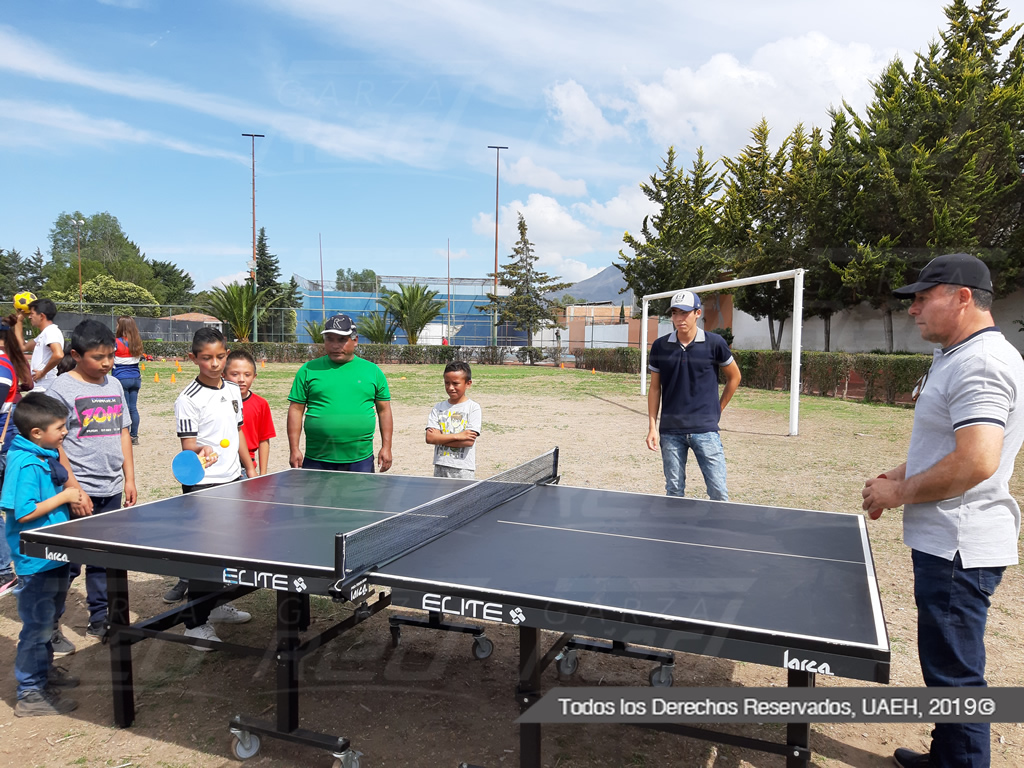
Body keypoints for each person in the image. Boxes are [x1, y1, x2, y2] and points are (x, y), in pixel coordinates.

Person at [861, 253, 1024, 768]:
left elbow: (976, 459)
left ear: (961, 298)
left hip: (958, 545)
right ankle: (948, 757)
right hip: (947, 540)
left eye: (922, 298)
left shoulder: (982, 362)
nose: (913, 309)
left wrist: (898, 494)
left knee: (956, 674)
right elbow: (953, 445)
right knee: (945, 666)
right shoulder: (959, 354)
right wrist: (903, 472)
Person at [162, 328, 255, 649]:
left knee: (228, 552)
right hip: (203, 486)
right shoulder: (187, 399)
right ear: (193, 358)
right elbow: (189, 445)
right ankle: (195, 624)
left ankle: (217, 607)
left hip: (232, 480)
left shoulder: (232, 390)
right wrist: (202, 450)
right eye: (206, 358)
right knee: (205, 557)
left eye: (220, 356)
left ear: (226, 354)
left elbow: (238, 432)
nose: (214, 363)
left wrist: (250, 468)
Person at [48, 320, 137, 645]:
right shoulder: (60, 389)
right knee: (66, 566)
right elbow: (55, 443)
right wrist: (73, 488)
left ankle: (101, 619)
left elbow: (124, 431)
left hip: (112, 488)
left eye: (110, 356)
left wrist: (129, 477)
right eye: (99, 357)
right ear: (75, 354)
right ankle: (51, 626)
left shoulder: (113, 384)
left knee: (104, 560)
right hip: (77, 490)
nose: (107, 363)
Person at [2, 392, 83, 716]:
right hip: (35, 561)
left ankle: (43, 673)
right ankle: (30, 693)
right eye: (60, 428)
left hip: (53, 555)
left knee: (48, 621)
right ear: (37, 432)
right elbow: (23, 512)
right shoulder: (24, 463)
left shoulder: (42, 454)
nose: (65, 433)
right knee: (36, 627)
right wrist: (65, 496)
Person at [646, 290, 741, 500]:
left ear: (697, 313)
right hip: (670, 431)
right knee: (673, 492)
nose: (679, 319)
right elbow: (655, 388)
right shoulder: (660, 346)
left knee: (718, 492)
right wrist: (652, 427)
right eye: (675, 313)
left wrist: (718, 408)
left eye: (685, 313)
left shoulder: (715, 343)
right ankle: (674, 533)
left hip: (705, 430)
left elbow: (734, 377)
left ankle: (718, 533)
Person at [287, 314, 393, 473]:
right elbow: (296, 409)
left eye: (342, 339)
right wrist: (294, 448)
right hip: (317, 458)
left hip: (360, 458)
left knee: (359, 499)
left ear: (355, 340)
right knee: (316, 499)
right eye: (329, 339)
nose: (335, 345)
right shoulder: (308, 370)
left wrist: (387, 447)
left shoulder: (373, 372)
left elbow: (384, 410)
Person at [0, 313, 32, 598]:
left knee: (12, 510)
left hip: (3, 448)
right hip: (6, 446)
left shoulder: (1, 365)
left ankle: (4, 572)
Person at [425, 361, 481, 479]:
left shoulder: (473, 408)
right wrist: (459, 436)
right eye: (447, 383)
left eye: (455, 383)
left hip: (463, 469)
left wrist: (440, 438)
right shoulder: (438, 408)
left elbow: (468, 441)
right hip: (440, 466)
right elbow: (430, 438)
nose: (450, 388)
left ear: (468, 384)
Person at [225, 349, 276, 476]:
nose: (241, 379)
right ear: (223, 375)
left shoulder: (261, 404)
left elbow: (264, 440)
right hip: (223, 468)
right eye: (235, 374)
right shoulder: (218, 402)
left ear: (254, 377)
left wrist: (263, 474)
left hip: (248, 470)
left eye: (247, 375)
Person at [113, 316, 144, 446]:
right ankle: (134, 435)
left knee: (123, 409)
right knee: (133, 408)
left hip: (121, 378)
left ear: (121, 327)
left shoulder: (115, 342)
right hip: (135, 378)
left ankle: (124, 435)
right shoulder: (137, 342)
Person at [23, 298, 64, 393]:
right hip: (40, 388)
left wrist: (42, 372)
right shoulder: (43, 334)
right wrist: (19, 320)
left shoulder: (51, 331)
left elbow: (58, 354)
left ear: (41, 316)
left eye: (32, 313)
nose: (29, 317)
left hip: (44, 387)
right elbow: (23, 347)